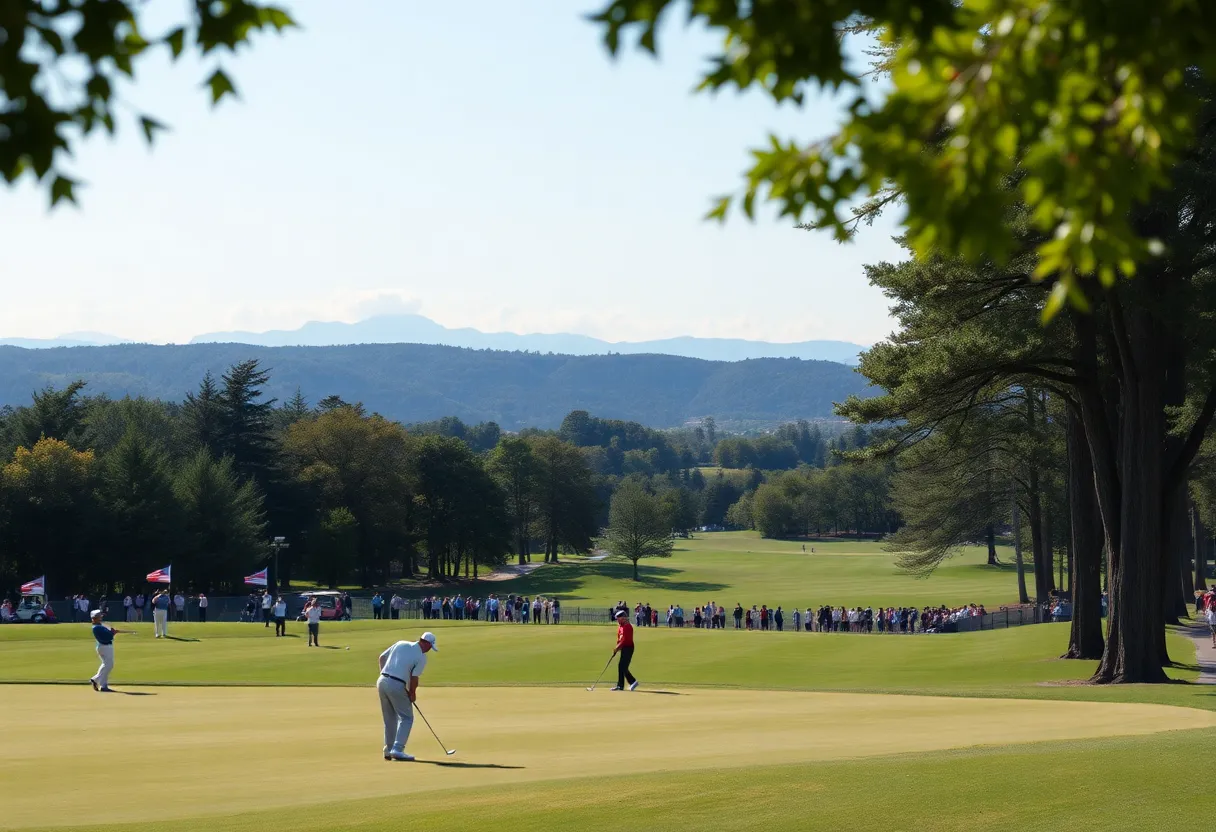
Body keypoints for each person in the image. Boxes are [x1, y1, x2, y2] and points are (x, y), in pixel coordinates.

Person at [376, 631, 438, 762]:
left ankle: (388, 749)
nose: (429, 650)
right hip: (396, 684)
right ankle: (398, 749)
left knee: (390, 718)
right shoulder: (421, 657)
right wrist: (412, 693)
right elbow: (414, 678)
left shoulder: (401, 643)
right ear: (426, 644)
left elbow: (382, 657)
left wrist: (385, 675)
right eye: (430, 647)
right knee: (407, 717)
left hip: (381, 681)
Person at [89, 609, 134, 692]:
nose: (101, 617)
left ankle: (103, 686)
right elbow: (108, 637)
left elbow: (108, 632)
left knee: (106, 665)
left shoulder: (100, 626)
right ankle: (95, 679)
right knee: (109, 665)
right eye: (99, 616)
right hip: (104, 647)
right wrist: (113, 633)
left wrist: (112, 631)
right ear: (95, 618)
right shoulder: (97, 628)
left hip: (104, 646)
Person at [611, 608, 638, 691]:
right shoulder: (621, 627)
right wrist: (617, 648)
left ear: (623, 618)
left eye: (618, 619)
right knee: (622, 666)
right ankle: (624, 684)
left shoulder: (628, 627)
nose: (617, 621)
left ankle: (630, 682)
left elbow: (625, 640)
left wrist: (617, 648)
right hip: (623, 648)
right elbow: (619, 639)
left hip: (628, 648)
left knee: (622, 666)